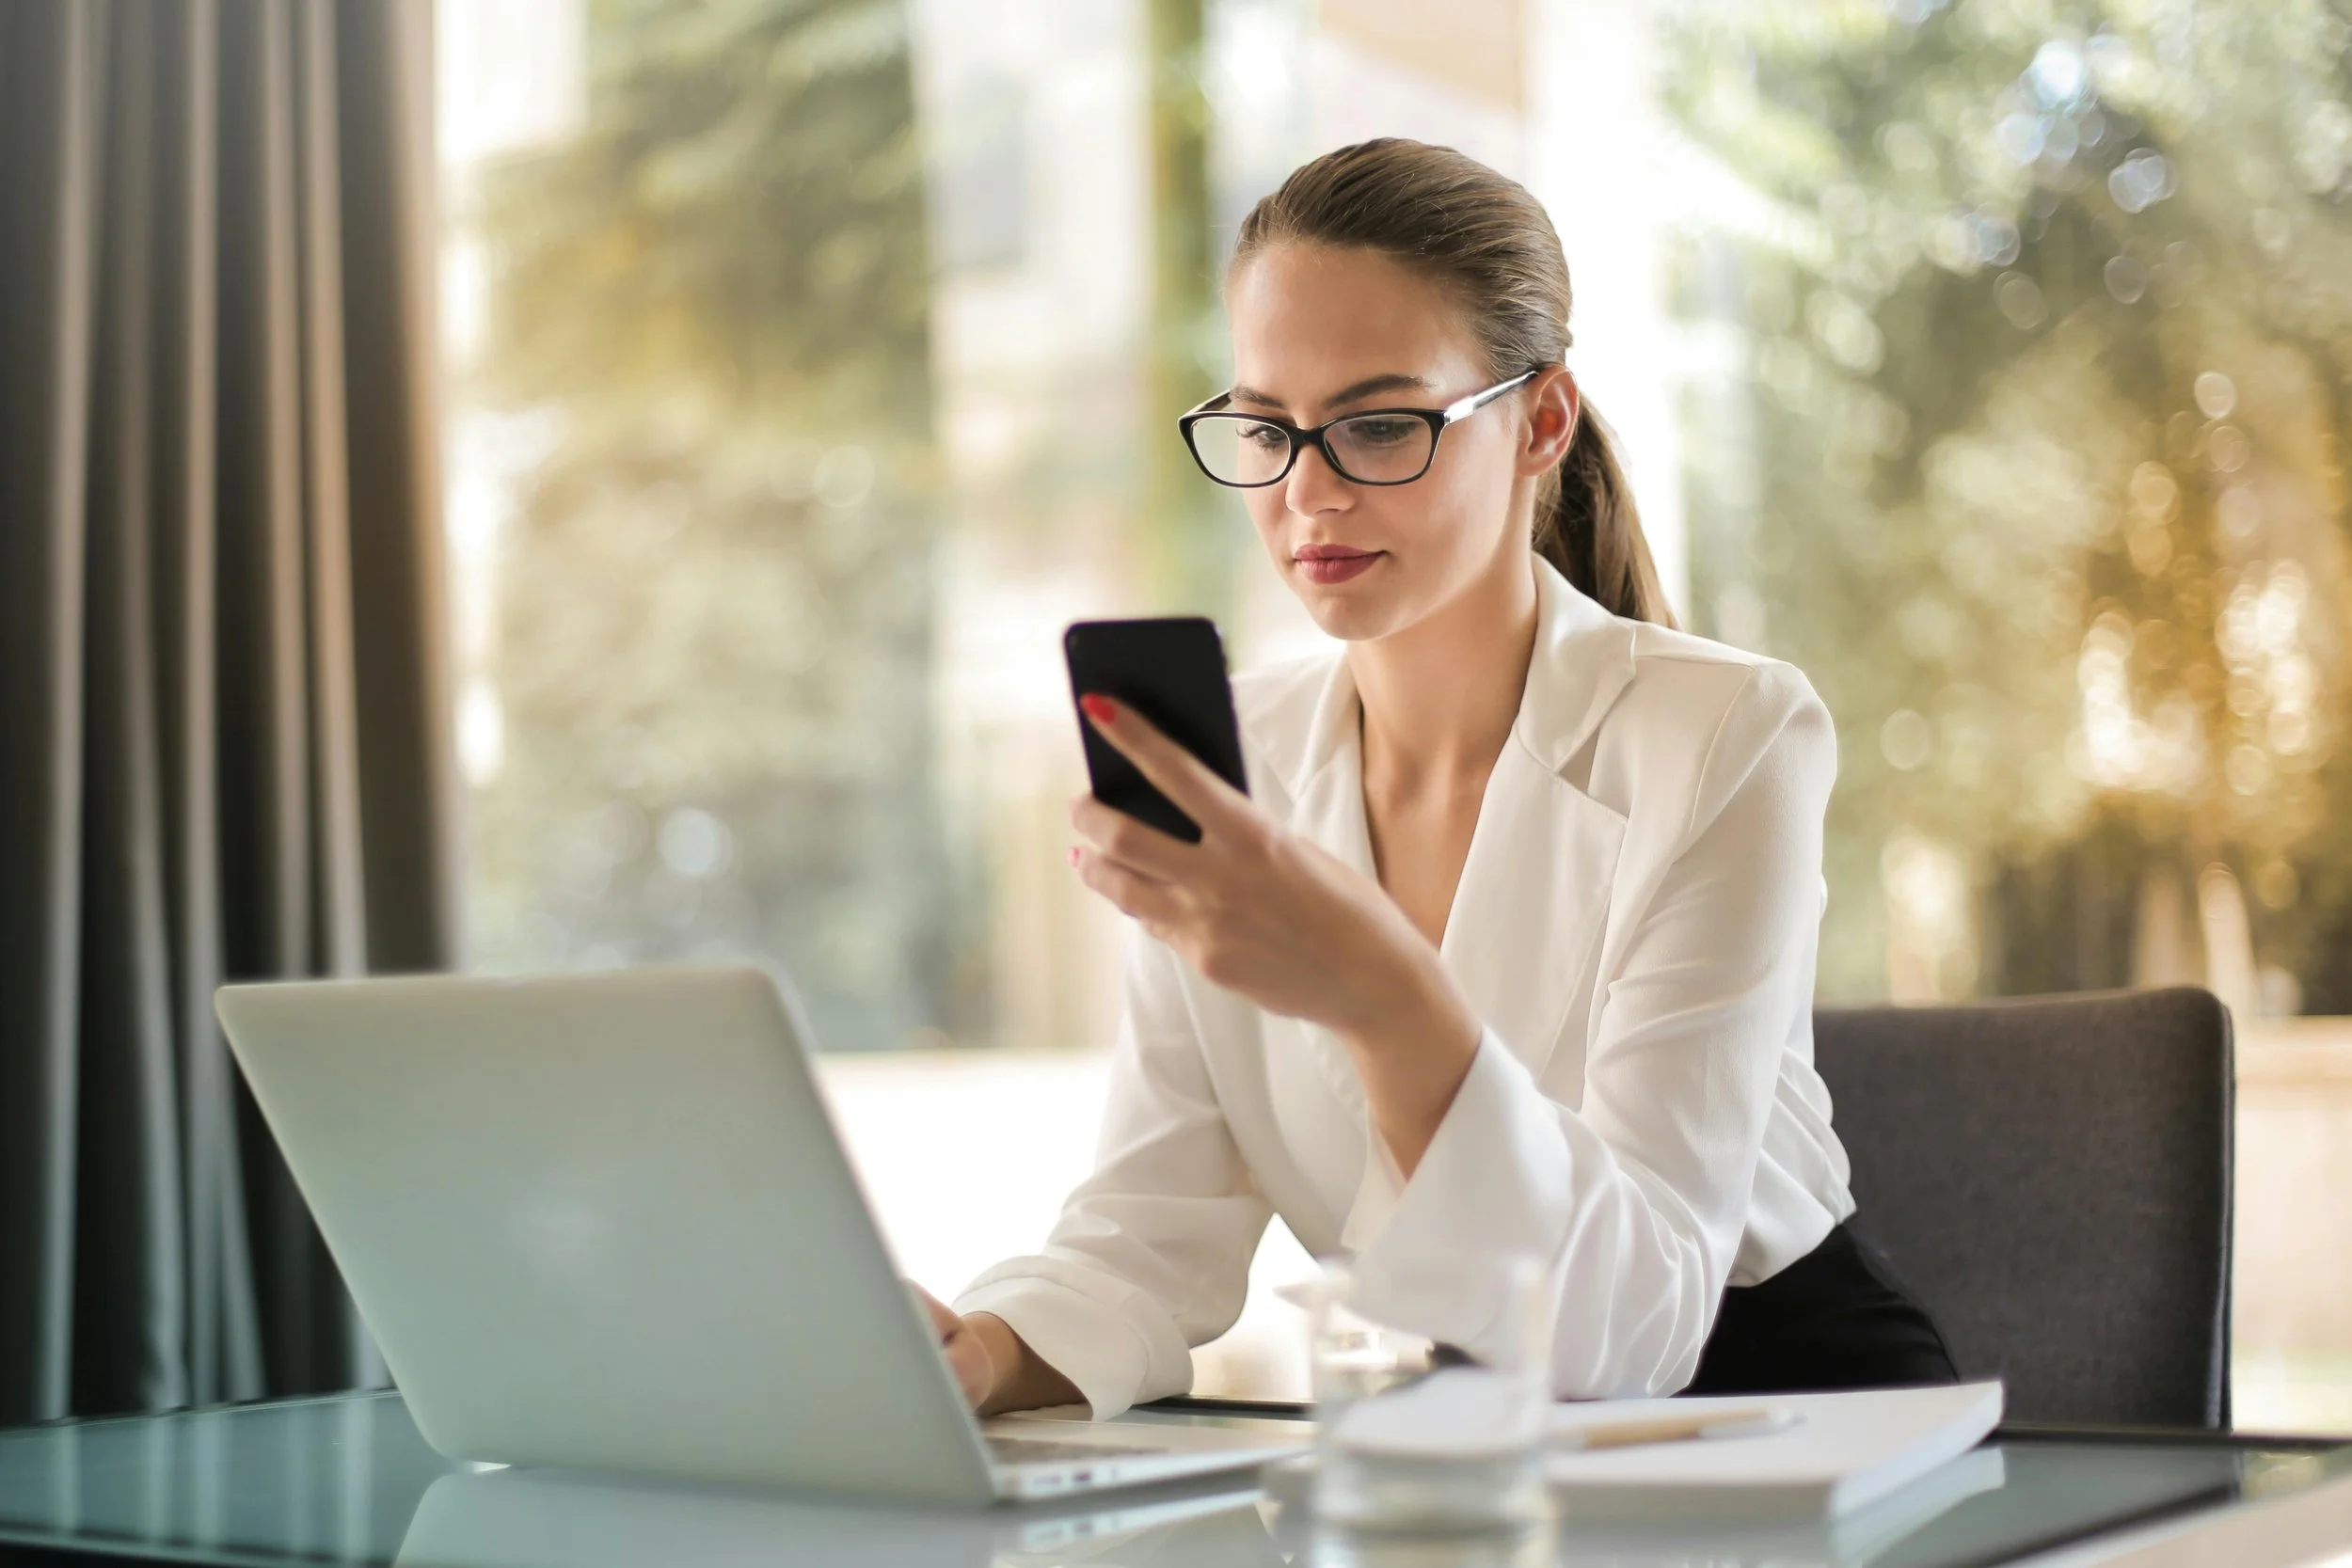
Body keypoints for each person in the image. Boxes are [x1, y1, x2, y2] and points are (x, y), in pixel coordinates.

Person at [913, 137, 1956, 1418]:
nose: (1309, 490)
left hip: (1780, 1425)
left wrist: (1383, 994)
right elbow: (1147, 1230)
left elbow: (1633, 1325)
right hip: (1455, 1443)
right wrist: (984, 1353)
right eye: (1267, 426)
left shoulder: (1728, 732)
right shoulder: (1232, 771)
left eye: (1378, 424)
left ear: (1542, 422)